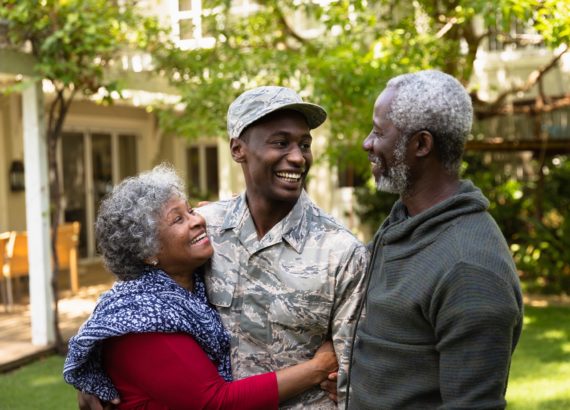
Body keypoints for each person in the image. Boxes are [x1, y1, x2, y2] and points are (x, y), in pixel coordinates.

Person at [77, 86, 368, 409]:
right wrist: (94, 368)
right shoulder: (204, 228)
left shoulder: (342, 252)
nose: (298, 157)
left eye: (304, 144)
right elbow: (135, 292)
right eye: (281, 143)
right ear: (238, 149)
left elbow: (352, 371)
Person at [64, 164, 338, 409]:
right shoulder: (141, 320)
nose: (198, 220)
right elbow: (214, 402)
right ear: (147, 251)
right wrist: (318, 368)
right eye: (178, 219)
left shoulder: (190, 281)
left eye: (191, 210)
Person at [346, 70, 524, 409]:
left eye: (379, 132)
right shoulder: (405, 221)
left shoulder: (469, 269)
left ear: (421, 144)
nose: (367, 143)